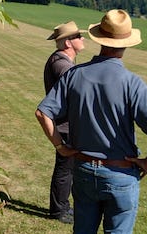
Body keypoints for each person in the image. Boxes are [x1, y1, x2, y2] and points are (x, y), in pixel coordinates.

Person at [35, 9, 147, 234]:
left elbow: (42, 113)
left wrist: (60, 146)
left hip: (83, 170)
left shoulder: (74, 74)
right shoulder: (133, 83)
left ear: (99, 39)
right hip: (120, 174)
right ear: (126, 43)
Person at [43, 21, 86, 224]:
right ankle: (59, 210)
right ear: (68, 42)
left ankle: (62, 207)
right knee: (65, 168)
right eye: (78, 36)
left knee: (68, 168)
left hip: (67, 124)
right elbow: (76, 87)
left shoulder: (61, 60)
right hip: (65, 126)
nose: (82, 38)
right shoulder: (61, 64)